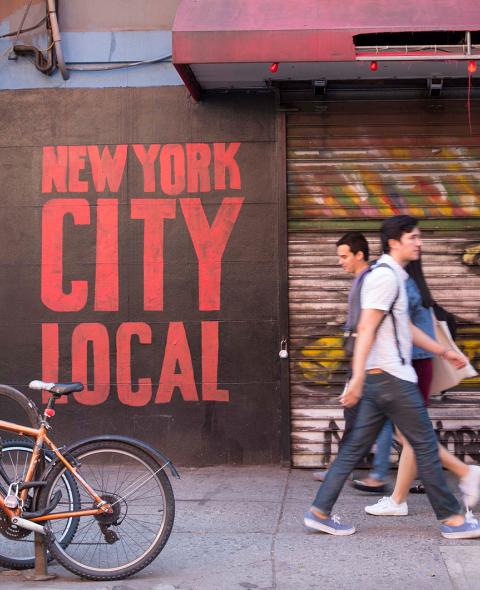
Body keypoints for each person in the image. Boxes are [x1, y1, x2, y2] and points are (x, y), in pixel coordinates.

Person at [303, 215, 480, 539]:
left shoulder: (392, 276)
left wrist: (443, 351)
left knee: (355, 448)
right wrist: (357, 378)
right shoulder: (385, 277)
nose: (419, 242)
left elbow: (405, 327)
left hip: (380, 378)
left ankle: (319, 511)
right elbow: (367, 327)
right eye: (413, 237)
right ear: (395, 242)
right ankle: (453, 520)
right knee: (425, 445)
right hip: (391, 378)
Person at [365, 258, 480, 516]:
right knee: (410, 434)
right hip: (418, 364)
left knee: (413, 435)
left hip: (410, 365)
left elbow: (396, 327)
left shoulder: (400, 282)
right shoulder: (416, 284)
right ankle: (399, 499)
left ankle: (464, 474)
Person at [313, 232, 392, 494]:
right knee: (365, 417)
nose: (340, 262)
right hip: (364, 360)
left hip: (371, 362)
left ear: (360, 255)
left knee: (376, 419)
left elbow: (367, 327)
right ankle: (364, 469)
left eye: (344, 256)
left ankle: (370, 472)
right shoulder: (362, 280)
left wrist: (357, 375)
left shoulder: (371, 281)